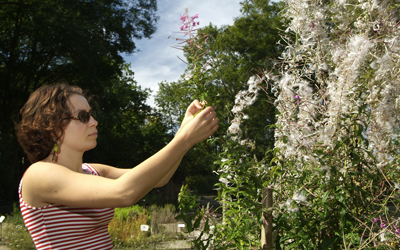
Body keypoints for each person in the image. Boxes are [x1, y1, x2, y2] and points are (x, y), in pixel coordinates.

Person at [15, 84, 219, 250]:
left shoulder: (92, 171)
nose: (94, 122)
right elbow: (125, 192)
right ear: (51, 126)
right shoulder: (39, 174)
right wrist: (184, 140)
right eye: (83, 117)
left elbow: (159, 178)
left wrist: (182, 133)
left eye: (91, 114)